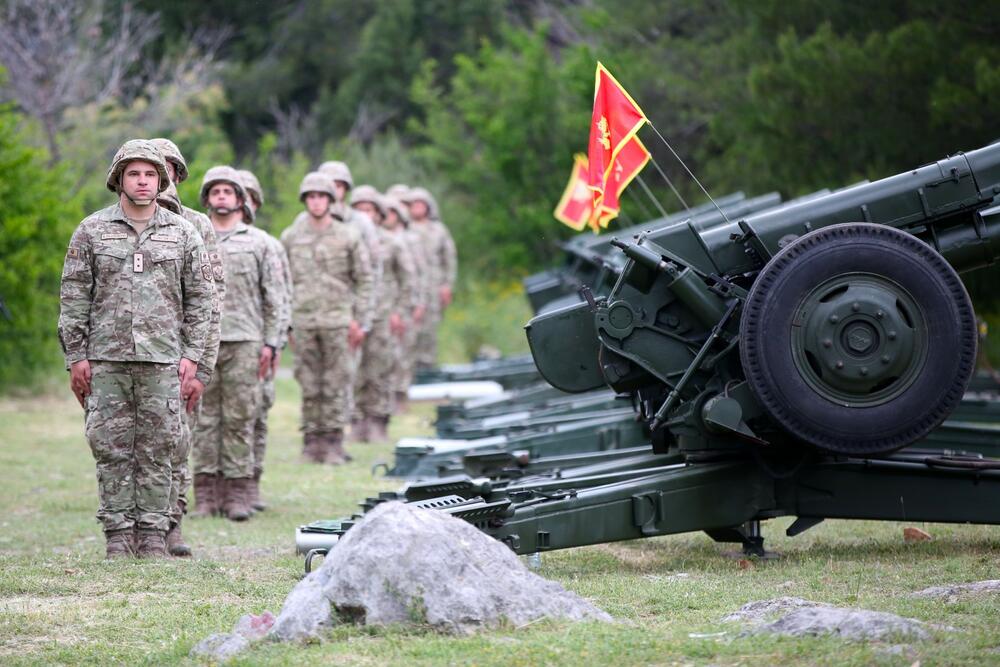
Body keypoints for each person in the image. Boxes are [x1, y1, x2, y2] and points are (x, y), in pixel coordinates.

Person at [58, 139, 214, 558]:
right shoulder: (91, 230)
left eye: (150, 174)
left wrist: (193, 356)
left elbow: (201, 299)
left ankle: (152, 535)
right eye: (134, 174)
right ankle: (118, 535)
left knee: (160, 448)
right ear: (118, 180)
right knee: (109, 448)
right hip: (106, 360)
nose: (143, 182)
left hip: (164, 360)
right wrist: (76, 356)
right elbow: (74, 298)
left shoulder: (182, 233)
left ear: (161, 180)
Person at [191, 166, 282, 522]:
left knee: (241, 417)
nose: (222, 197)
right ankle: (205, 495)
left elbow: (272, 297)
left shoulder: (259, 243)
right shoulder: (193, 236)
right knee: (204, 418)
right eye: (215, 192)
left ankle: (238, 494)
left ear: (240, 199)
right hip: (203, 341)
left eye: (229, 192)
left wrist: (271, 343)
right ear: (207, 199)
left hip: (246, 340)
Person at [150, 137, 225, 557]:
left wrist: (202, 365)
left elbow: (213, 300)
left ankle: (172, 526)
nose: (156, 178)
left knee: (178, 441)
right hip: (136, 353)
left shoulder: (197, 226)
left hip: (183, 354)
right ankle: (136, 527)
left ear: (176, 174)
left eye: (165, 168)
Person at [281, 172, 373, 464]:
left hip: (338, 320)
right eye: (311, 197)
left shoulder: (348, 235)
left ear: (331, 201)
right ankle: (312, 442)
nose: (317, 202)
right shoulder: (291, 236)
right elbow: (281, 282)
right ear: (305, 200)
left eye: (322, 196)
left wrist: (361, 319)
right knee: (309, 383)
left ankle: (333, 441)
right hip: (304, 319)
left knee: (336, 382)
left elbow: (365, 280)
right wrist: (287, 324)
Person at [237, 168, 291, 512]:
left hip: (257, 340)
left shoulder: (269, 245)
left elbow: (281, 298)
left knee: (256, 412)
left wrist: (278, 341)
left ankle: (250, 480)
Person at [349, 187, 417, 440]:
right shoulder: (346, 239)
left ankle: (378, 421)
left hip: (383, 313)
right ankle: (356, 422)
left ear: (379, 213)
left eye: (369, 209)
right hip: (353, 314)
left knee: (380, 368)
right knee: (354, 371)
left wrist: (400, 311)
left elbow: (408, 280)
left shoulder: (391, 242)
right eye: (359, 209)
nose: (364, 214)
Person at [402, 187, 457, 370]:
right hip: (411, 285)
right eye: (413, 204)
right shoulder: (405, 229)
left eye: (421, 204)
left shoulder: (438, 230)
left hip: (434, 285)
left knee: (430, 328)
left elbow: (448, 258)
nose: (417, 207)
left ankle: (427, 366)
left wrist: (447, 285)